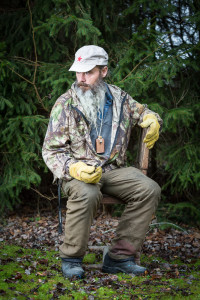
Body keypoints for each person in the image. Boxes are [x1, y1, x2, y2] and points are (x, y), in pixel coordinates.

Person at [42, 45, 162, 279]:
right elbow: (51, 150)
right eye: (78, 72)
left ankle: (119, 257)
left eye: (89, 72)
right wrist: (73, 167)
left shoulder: (120, 98)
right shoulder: (65, 104)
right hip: (77, 173)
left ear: (104, 71)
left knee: (149, 189)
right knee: (87, 192)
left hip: (113, 170)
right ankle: (72, 257)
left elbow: (144, 112)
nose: (82, 78)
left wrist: (151, 118)